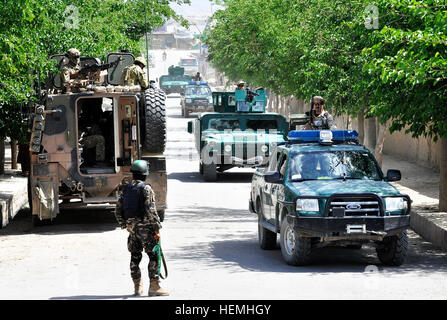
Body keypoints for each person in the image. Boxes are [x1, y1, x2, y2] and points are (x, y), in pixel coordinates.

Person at [115, 160, 168, 297]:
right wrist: (156, 228)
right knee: (154, 256)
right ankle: (154, 287)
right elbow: (151, 211)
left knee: (135, 257)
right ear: (145, 174)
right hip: (147, 229)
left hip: (133, 230)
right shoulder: (146, 189)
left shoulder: (125, 188)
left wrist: (124, 225)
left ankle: (137, 287)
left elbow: (118, 210)